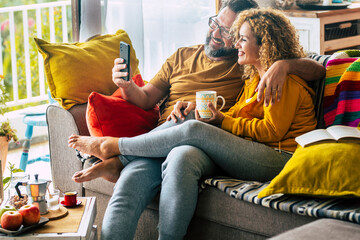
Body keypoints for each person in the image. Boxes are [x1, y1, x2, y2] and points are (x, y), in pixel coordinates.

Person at [69, 5, 319, 240]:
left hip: (218, 143)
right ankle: (121, 159)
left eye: (231, 33)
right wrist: (126, 86)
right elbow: (146, 99)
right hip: (161, 140)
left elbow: (318, 69)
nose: (217, 34)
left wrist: (283, 65)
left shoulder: (247, 67)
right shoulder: (209, 62)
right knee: (132, 183)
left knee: (186, 143)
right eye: (215, 24)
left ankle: (116, 151)